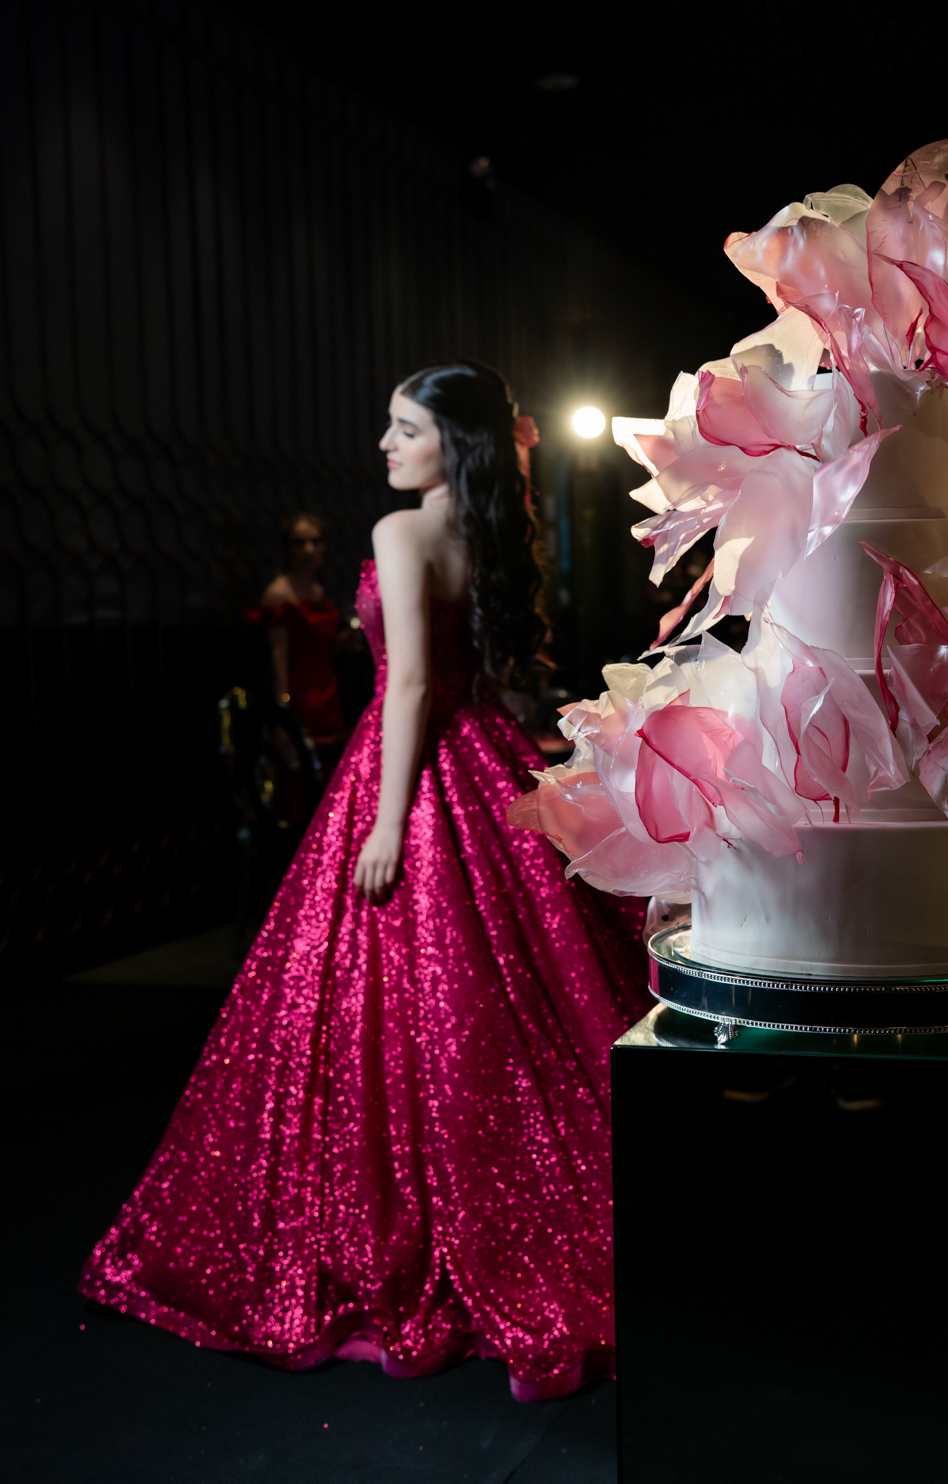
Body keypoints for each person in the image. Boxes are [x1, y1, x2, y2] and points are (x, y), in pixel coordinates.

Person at [80, 361, 649, 1401]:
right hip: (481, 756)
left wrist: (386, 821)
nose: (384, 444)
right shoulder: (482, 534)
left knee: (384, 1000)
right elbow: (474, 680)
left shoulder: (401, 533)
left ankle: (394, 1233)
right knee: (496, 996)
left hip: (413, 770)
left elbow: (414, 685)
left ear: (452, 442)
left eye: (404, 428)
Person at [252, 513, 347, 764]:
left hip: (326, 690)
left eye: (315, 542)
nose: (309, 550)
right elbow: (278, 655)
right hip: (297, 692)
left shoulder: (318, 591)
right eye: (299, 543)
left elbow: (321, 647)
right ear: (286, 549)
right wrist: (283, 711)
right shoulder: (279, 593)